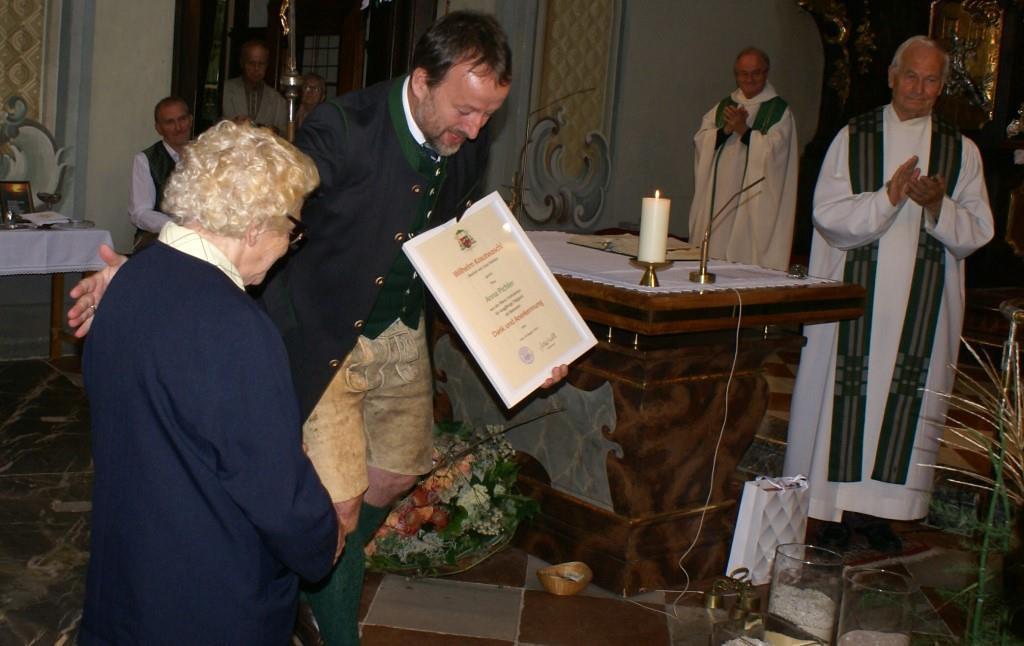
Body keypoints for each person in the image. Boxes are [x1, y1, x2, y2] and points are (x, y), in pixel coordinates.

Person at [68, 11, 567, 645]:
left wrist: (526, 346)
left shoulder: (465, 138)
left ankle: (319, 559)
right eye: (465, 111)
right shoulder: (342, 126)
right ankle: (331, 612)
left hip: (398, 326)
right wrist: (149, 272)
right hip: (322, 330)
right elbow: (245, 201)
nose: (474, 130)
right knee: (332, 502)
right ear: (422, 82)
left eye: (487, 116)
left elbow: (468, 247)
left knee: (397, 472)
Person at [78, 120, 341, 645]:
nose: (289, 246)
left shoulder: (126, 282)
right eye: (292, 229)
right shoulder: (235, 326)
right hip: (208, 596)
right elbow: (272, 486)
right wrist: (323, 538)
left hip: (127, 580)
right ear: (255, 227)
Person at [783, 36, 994, 551]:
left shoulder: (961, 150)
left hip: (923, 313)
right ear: (892, 76)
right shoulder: (853, 138)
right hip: (855, 306)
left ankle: (880, 513)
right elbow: (827, 216)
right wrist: (889, 197)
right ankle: (832, 513)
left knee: (902, 407)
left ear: (941, 87)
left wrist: (938, 206)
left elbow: (978, 230)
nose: (919, 88)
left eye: (931, 80)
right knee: (845, 404)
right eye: (911, 76)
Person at [687, 47, 798, 271]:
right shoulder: (723, 107)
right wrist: (726, 130)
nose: (749, 79)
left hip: (754, 203)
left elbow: (777, 154)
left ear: (766, 73)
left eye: (756, 73)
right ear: (735, 74)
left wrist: (744, 131)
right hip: (720, 202)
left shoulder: (779, 111)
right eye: (743, 73)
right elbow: (701, 141)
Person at [128, 96, 192, 250]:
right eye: (170, 122)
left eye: (182, 119)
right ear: (158, 128)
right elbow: (140, 213)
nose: (178, 127)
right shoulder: (145, 160)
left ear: (190, 120)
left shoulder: (206, 156)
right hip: (160, 240)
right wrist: (179, 227)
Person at [222, 39, 289, 133]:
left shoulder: (278, 101)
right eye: (251, 63)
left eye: (261, 64)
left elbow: (284, 134)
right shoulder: (224, 91)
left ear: (267, 65)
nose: (256, 68)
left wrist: (273, 131)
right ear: (242, 63)